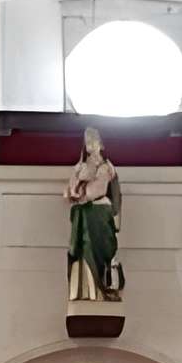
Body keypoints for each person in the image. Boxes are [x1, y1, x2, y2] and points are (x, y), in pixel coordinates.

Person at [65, 125, 124, 302]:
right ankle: (86, 291)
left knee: (101, 249)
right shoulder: (81, 166)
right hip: (84, 214)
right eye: (87, 142)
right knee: (83, 250)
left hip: (100, 213)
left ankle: (102, 288)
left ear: (101, 144)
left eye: (93, 141)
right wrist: (77, 187)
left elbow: (100, 190)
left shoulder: (106, 167)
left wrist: (83, 191)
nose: (90, 145)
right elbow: (70, 191)